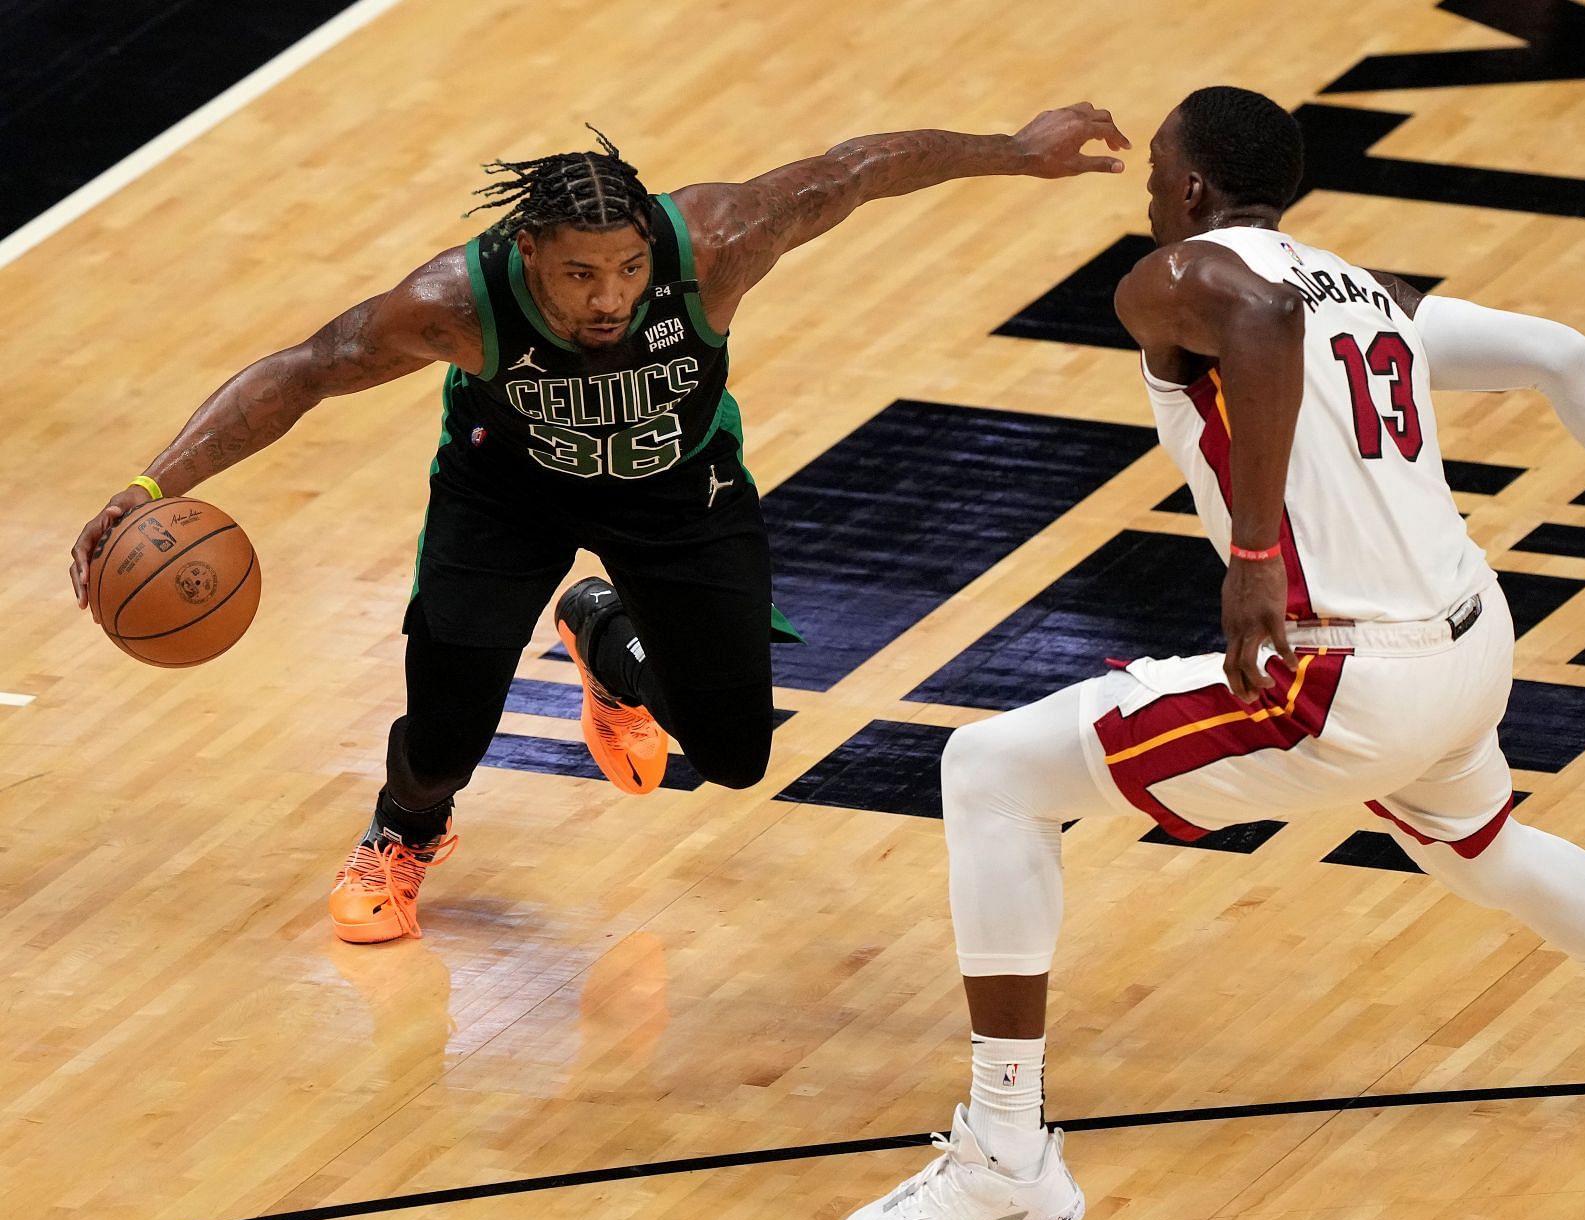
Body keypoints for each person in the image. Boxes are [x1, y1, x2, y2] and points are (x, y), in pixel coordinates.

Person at [837, 86, 1585, 1220]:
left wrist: (1250, 558)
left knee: (987, 772)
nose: (1149, 202)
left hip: (1346, 673)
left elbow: (1262, 327)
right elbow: (1564, 353)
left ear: (1188, 190)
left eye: (1157, 183)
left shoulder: (1177, 279)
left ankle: (1003, 1162)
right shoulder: (1370, 296)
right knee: (1485, 847)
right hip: (1468, 641)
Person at [69, 106, 1131, 945]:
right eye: (580, 274)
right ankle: (404, 832)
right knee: (443, 739)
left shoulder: (720, 239)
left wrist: (1018, 151)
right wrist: (151, 485)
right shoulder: (456, 301)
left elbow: (856, 167)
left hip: (678, 490)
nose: (609, 296)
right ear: (529, 250)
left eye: (626, 268)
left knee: (735, 751)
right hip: (507, 493)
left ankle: (606, 638)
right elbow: (304, 371)